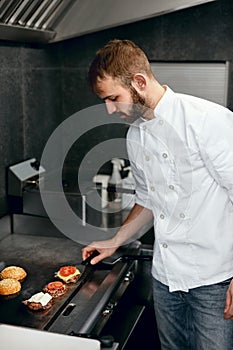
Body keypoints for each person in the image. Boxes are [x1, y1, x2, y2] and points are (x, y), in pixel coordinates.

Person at [82, 39, 233, 349]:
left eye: (114, 98)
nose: (110, 109)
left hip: (214, 280)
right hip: (165, 277)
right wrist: (115, 241)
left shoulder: (209, 121)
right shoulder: (136, 136)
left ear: (139, 81)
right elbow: (148, 200)